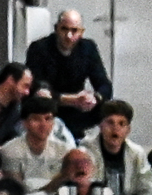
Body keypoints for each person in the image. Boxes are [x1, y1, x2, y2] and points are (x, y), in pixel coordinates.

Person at [26, 9, 111, 138]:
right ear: (56, 29)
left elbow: (104, 84)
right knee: (40, 96)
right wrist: (70, 100)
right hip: (49, 108)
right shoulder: (39, 48)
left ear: (81, 32)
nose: (69, 36)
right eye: (64, 29)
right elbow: (35, 87)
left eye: (74, 30)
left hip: (78, 110)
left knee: (109, 107)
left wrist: (95, 98)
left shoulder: (88, 48)